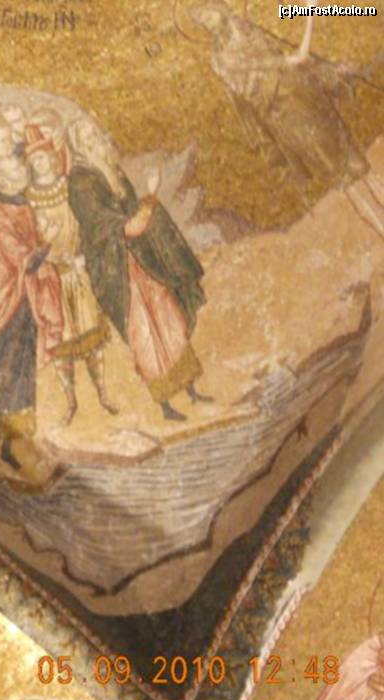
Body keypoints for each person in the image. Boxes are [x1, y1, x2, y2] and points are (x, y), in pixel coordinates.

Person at [189, 0, 384, 239]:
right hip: (289, 117)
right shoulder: (223, 58)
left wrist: (329, 69)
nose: (208, 23)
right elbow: (298, 58)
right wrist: (310, 12)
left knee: (357, 167)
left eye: (209, 15)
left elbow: (296, 65)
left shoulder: (249, 32)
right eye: (203, 21)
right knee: (347, 178)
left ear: (221, 10)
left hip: (305, 101)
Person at [67, 121, 210, 421]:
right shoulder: (81, 183)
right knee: (143, 331)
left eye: (94, 133)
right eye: (86, 137)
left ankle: (190, 388)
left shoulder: (112, 172)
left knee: (169, 318)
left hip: (140, 260)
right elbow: (122, 227)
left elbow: (133, 217)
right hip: (117, 269)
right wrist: (152, 194)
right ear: (77, 146)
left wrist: (145, 204)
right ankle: (164, 403)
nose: (94, 140)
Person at [0, 121, 65, 468]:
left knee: (23, 374)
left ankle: (8, 445)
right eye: (16, 174)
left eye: (22, 173)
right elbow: (24, 258)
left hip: (24, 297)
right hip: (3, 299)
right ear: (2, 180)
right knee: (3, 372)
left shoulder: (23, 206)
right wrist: (47, 243)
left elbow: (31, 254)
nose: (22, 178)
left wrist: (44, 244)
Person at [24, 124, 116, 424]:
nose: (40, 164)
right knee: (62, 345)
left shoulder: (69, 187)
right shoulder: (29, 197)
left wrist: (82, 255)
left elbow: (86, 222)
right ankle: (71, 402)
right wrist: (48, 257)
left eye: (43, 157)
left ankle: (103, 393)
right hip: (52, 277)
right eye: (34, 160)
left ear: (52, 158)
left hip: (77, 268)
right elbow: (30, 241)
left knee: (91, 337)